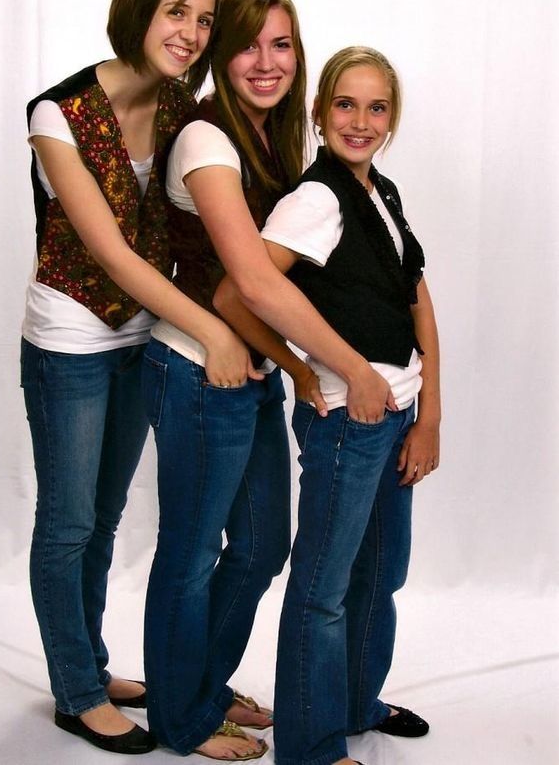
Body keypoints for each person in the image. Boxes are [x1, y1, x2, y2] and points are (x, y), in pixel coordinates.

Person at [21, 0, 253, 755]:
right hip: (72, 339)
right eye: (175, 12)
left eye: (203, 19)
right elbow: (115, 256)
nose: (191, 33)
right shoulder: (58, 113)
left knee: (108, 517)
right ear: (137, 10)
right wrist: (216, 328)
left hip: (140, 339)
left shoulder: (185, 102)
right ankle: (76, 691)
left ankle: (88, 658)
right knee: (68, 522)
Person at [214, 46, 441, 765]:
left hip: (397, 415)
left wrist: (429, 413)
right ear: (318, 113)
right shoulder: (315, 199)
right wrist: (302, 372)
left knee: (381, 576)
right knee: (323, 588)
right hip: (350, 421)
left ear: (391, 119)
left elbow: (415, 299)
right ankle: (309, 746)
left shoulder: (382, 191)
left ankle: (352, 705)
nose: (360, 120)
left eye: (376, 107)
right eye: (345, 104)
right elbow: (235, 293)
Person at [141, 0, 321, 762]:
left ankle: (203, 687)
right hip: (193, 371)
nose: (265, 61)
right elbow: (249, 281)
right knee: (189, 557)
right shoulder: (207, 138)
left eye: (280, 44)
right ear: (220, 54)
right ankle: (179, 720)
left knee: (259, 549)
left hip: (247, 374)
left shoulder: (273, 140)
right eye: (247, 43)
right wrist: (313, 368)